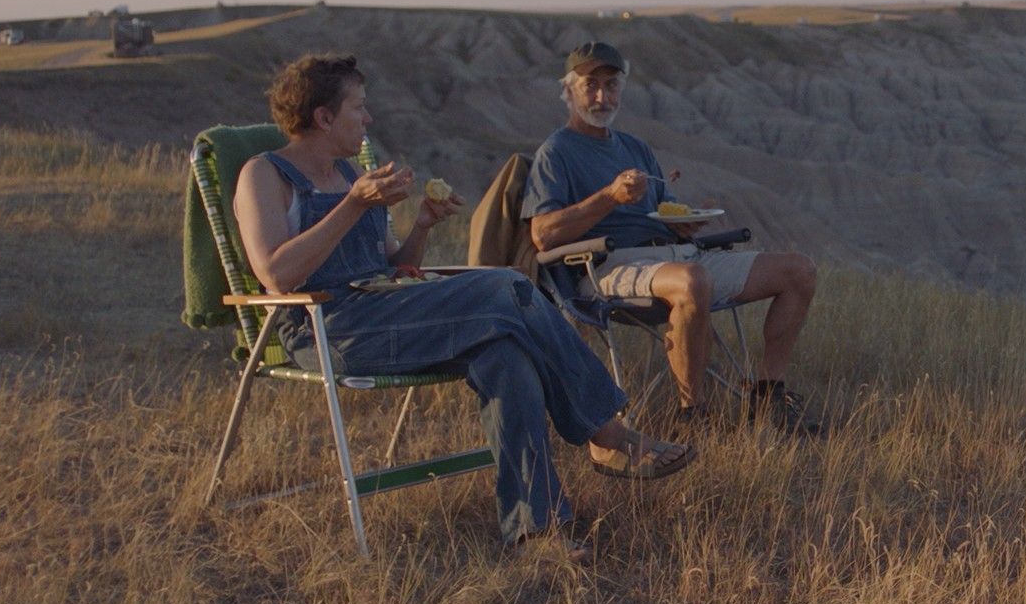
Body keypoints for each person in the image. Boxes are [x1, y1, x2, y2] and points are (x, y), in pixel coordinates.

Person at [232, 53, 694, 560]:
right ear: (323, 117)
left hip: (389, 313)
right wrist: (354, 206)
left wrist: (422, 225)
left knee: (505, 354)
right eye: (359, 108)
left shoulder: (348, 176)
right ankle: (605, 430)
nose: (368, 119)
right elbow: (275, 274)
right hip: (328, 329)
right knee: (506, 286)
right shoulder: (265, 175)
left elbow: (395, 269)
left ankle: (534, 532)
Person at [521, 42, 822, 435]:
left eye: (611, 85)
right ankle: (691, 416)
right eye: (590, 85)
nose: (601, 96)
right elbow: (543, 236)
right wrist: (610, 197)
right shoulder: (556, 152)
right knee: (692, 279)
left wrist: (685, 221)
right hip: (608, 266)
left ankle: (768, 397)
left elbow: (665, 210)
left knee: (799, 271)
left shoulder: (635, 148)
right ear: (569, 90)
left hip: (677, 254)